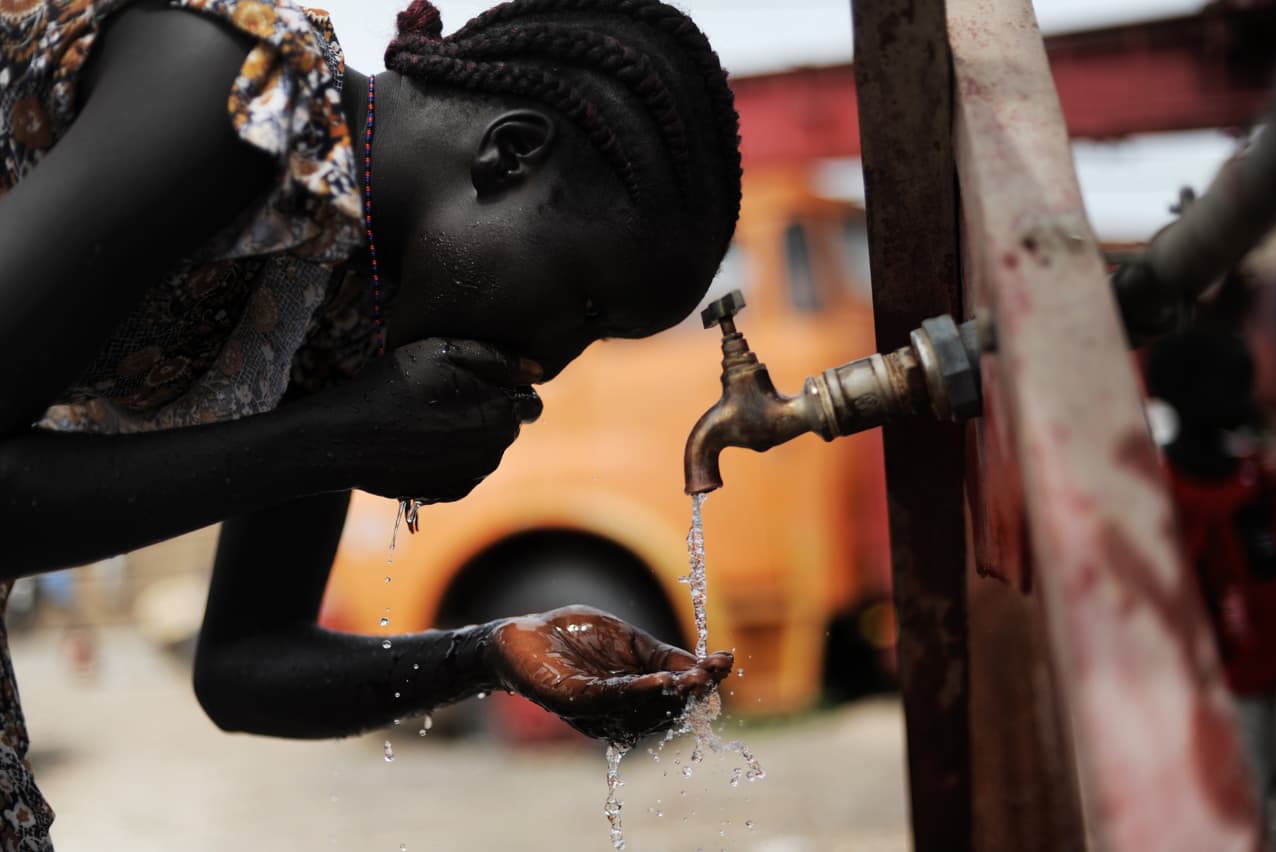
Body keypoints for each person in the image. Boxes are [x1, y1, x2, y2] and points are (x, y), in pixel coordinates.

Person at [0, 0, 742, 845]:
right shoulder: (225, 89)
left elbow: (245, 667)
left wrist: (494, 653)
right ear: (509, 154)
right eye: (583, 305)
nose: (556, 362)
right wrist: (335, 440)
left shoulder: (347, 304)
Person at [1147, 328, 1276, 848]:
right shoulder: (1164, 490)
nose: (1245, 399)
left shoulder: (1261, 480)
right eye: (1233, 384)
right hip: (1218, 690)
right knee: (1234, 813)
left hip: (1266, 672)